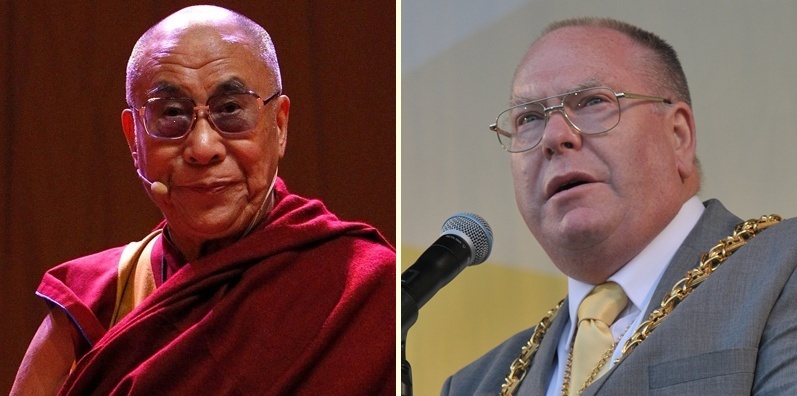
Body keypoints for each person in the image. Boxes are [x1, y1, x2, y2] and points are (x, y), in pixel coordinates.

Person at [11, 5, 395, 395]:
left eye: (230, 109)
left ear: (278, 126)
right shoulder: (93, 306)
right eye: (172, 114)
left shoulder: (361, 285)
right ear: (134, 140)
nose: (203, 147)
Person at [442, 17, 797, 395]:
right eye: (529, 118)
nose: (554, 136)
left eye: (593, 101)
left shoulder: (783, 268)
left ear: (678, 136)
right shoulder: (473, 386)